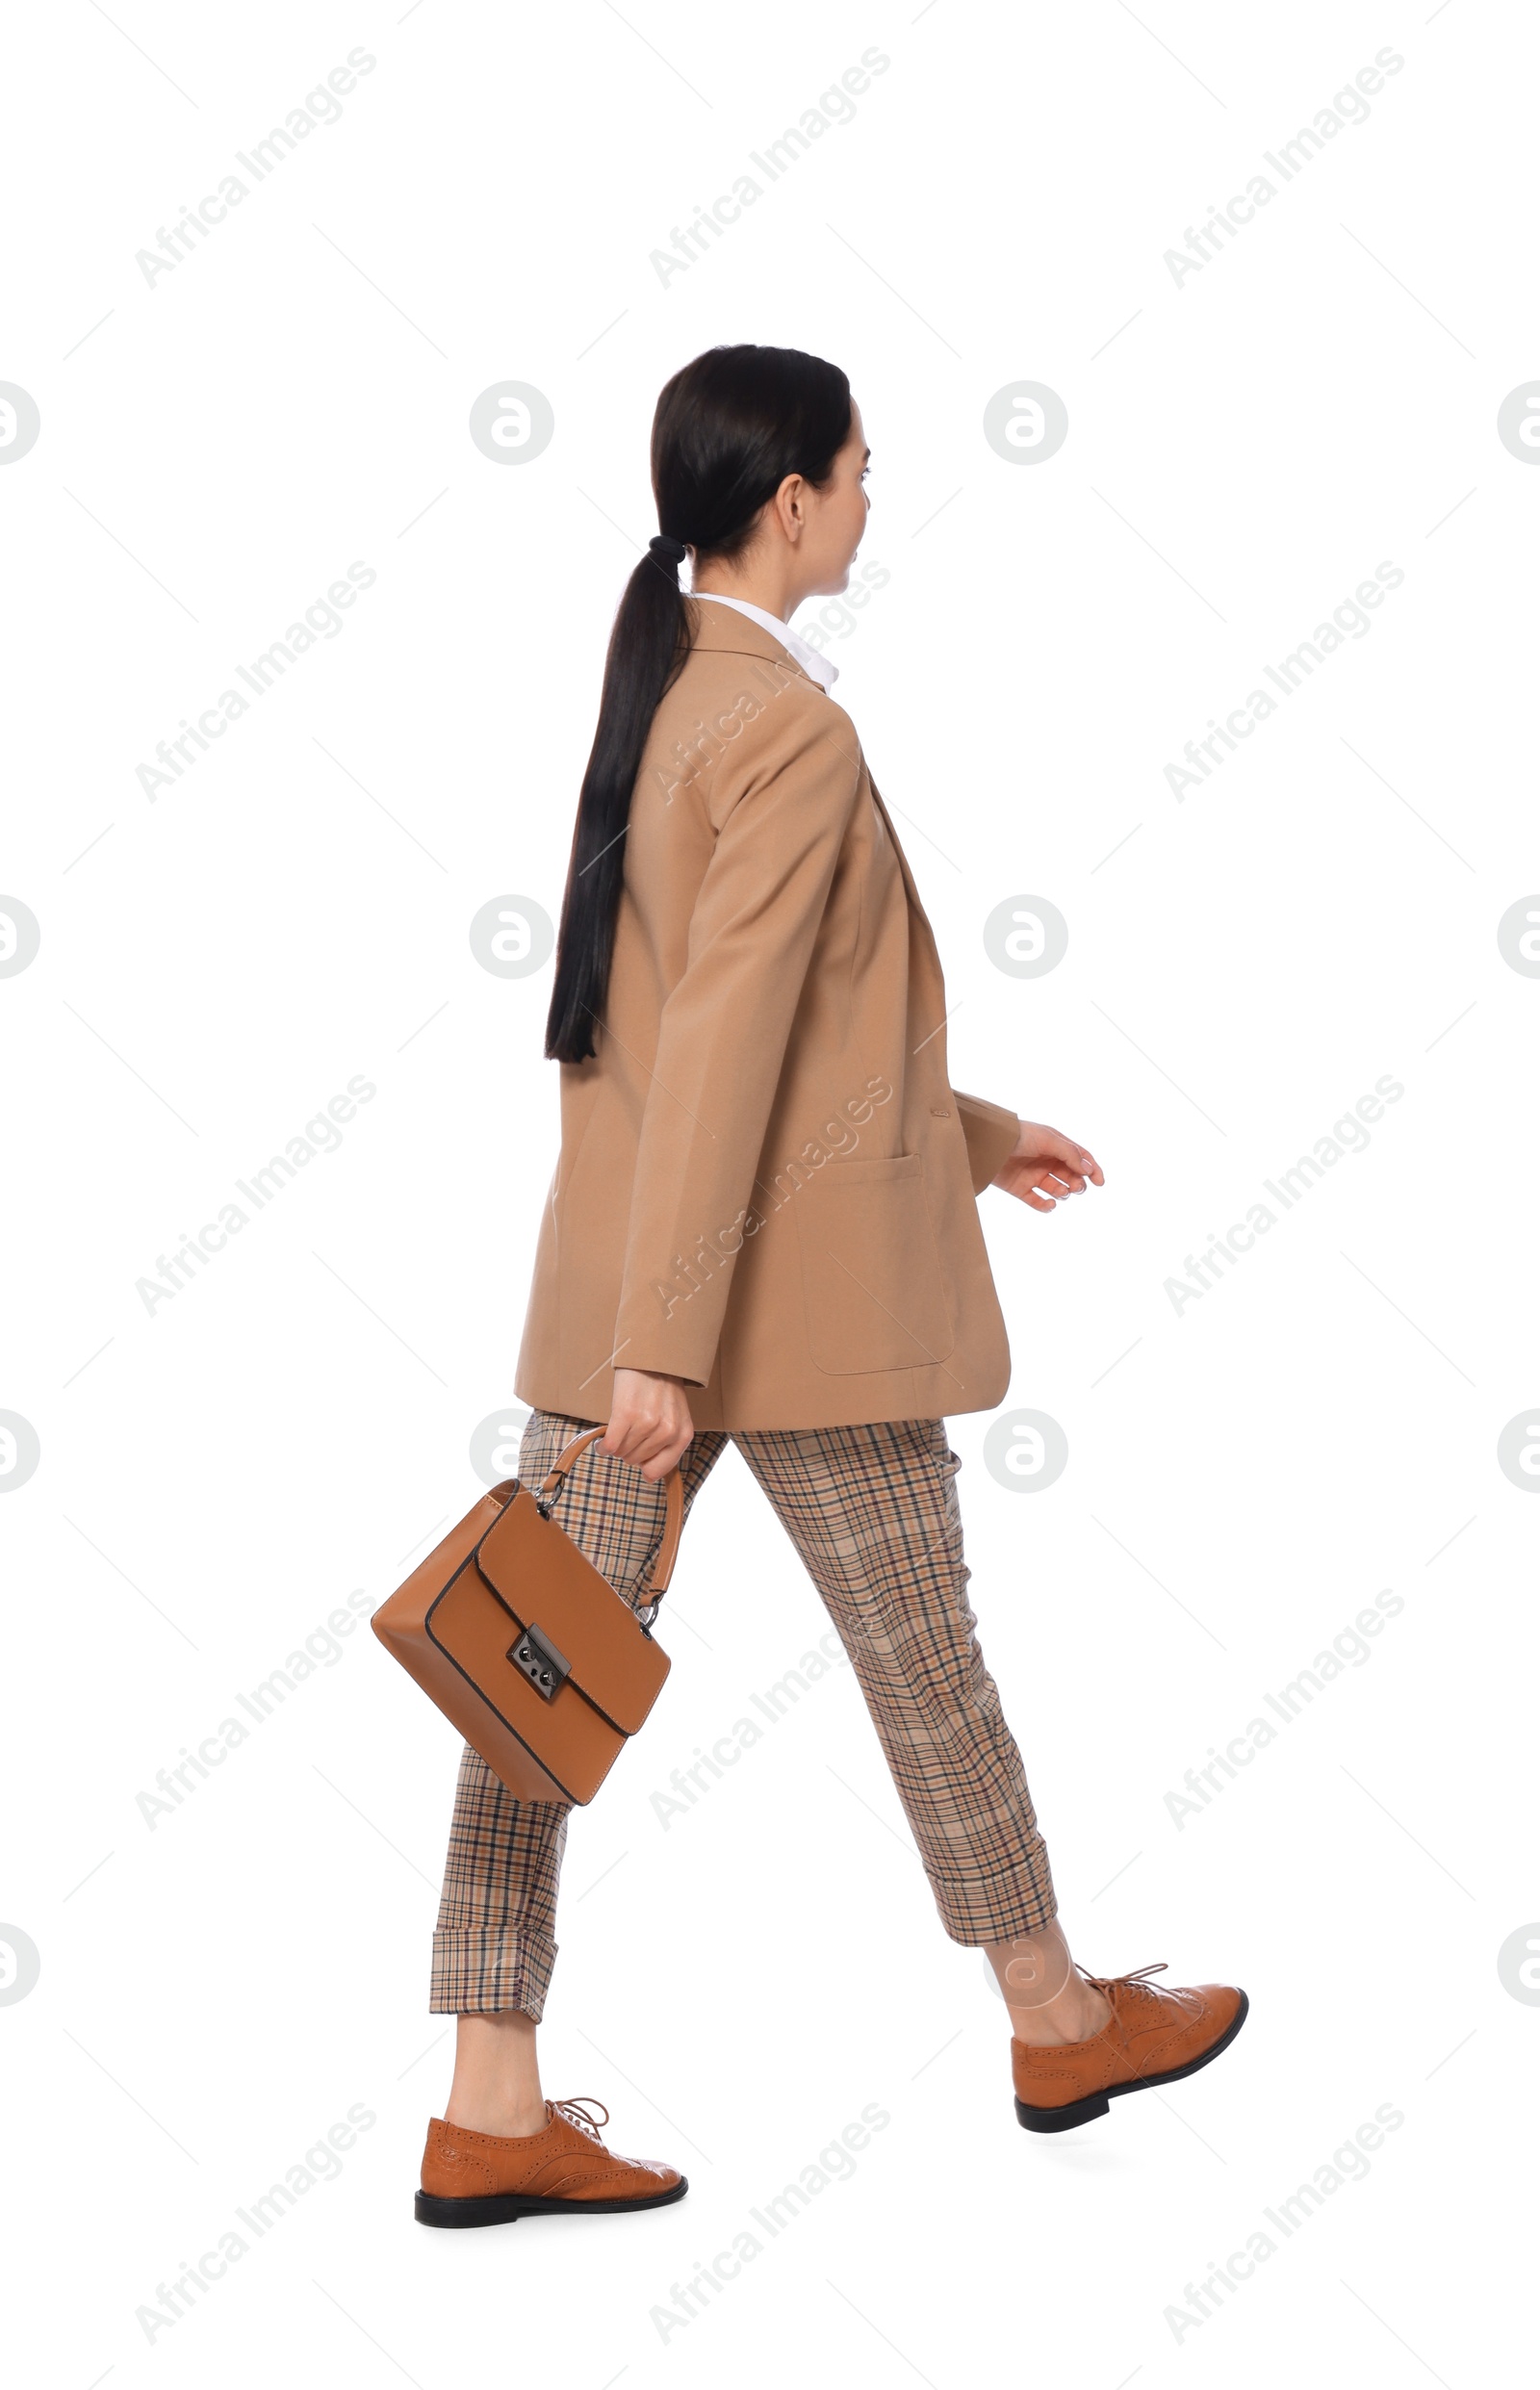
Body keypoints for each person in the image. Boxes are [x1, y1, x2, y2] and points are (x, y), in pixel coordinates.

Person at [415, 344, 1246, 2229]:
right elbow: (720, 1042)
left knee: (526, 1678)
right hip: (760, 1327)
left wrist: (975, 1130)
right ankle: (1051, 2016)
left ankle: (486, 2102)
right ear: (786, 498)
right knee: (923, 1675)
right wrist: (667, 1352)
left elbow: (758, 1044)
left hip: (644, 1296)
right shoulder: (781, 727)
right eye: (861, 472)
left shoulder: (673, 695)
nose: (871, 501)